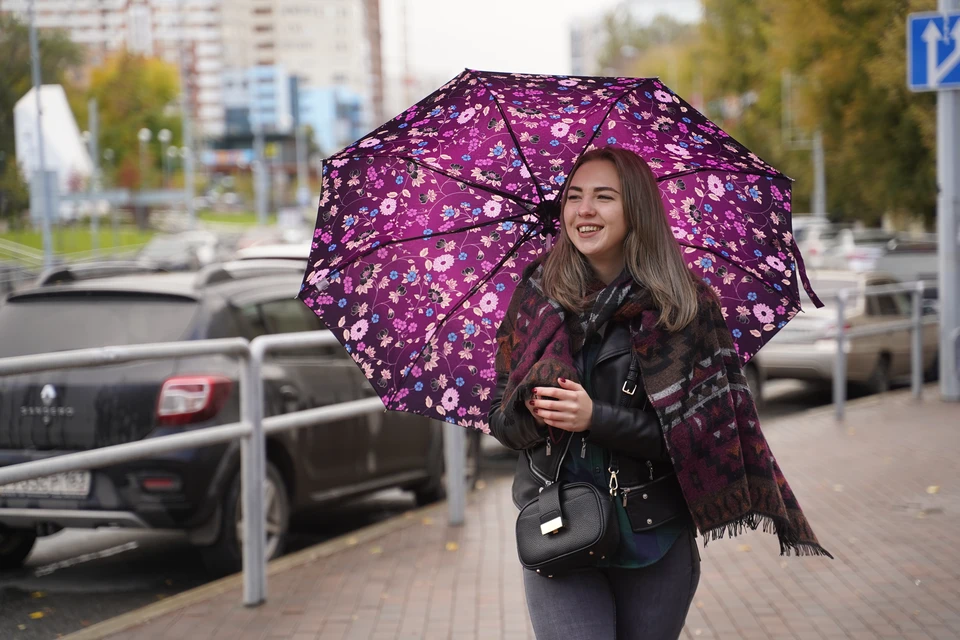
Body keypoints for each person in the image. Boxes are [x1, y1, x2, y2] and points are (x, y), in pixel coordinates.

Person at [488, 147, 829, 640]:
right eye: (574, 196)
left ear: (637, 211)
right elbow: (500, 423)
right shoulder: (537, 297)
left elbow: (702, 441)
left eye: (603, 197)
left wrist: (593, 418)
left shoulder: (684, 306)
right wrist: (535, 411)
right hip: (559, 527)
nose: (584, 210)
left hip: (653, 532)